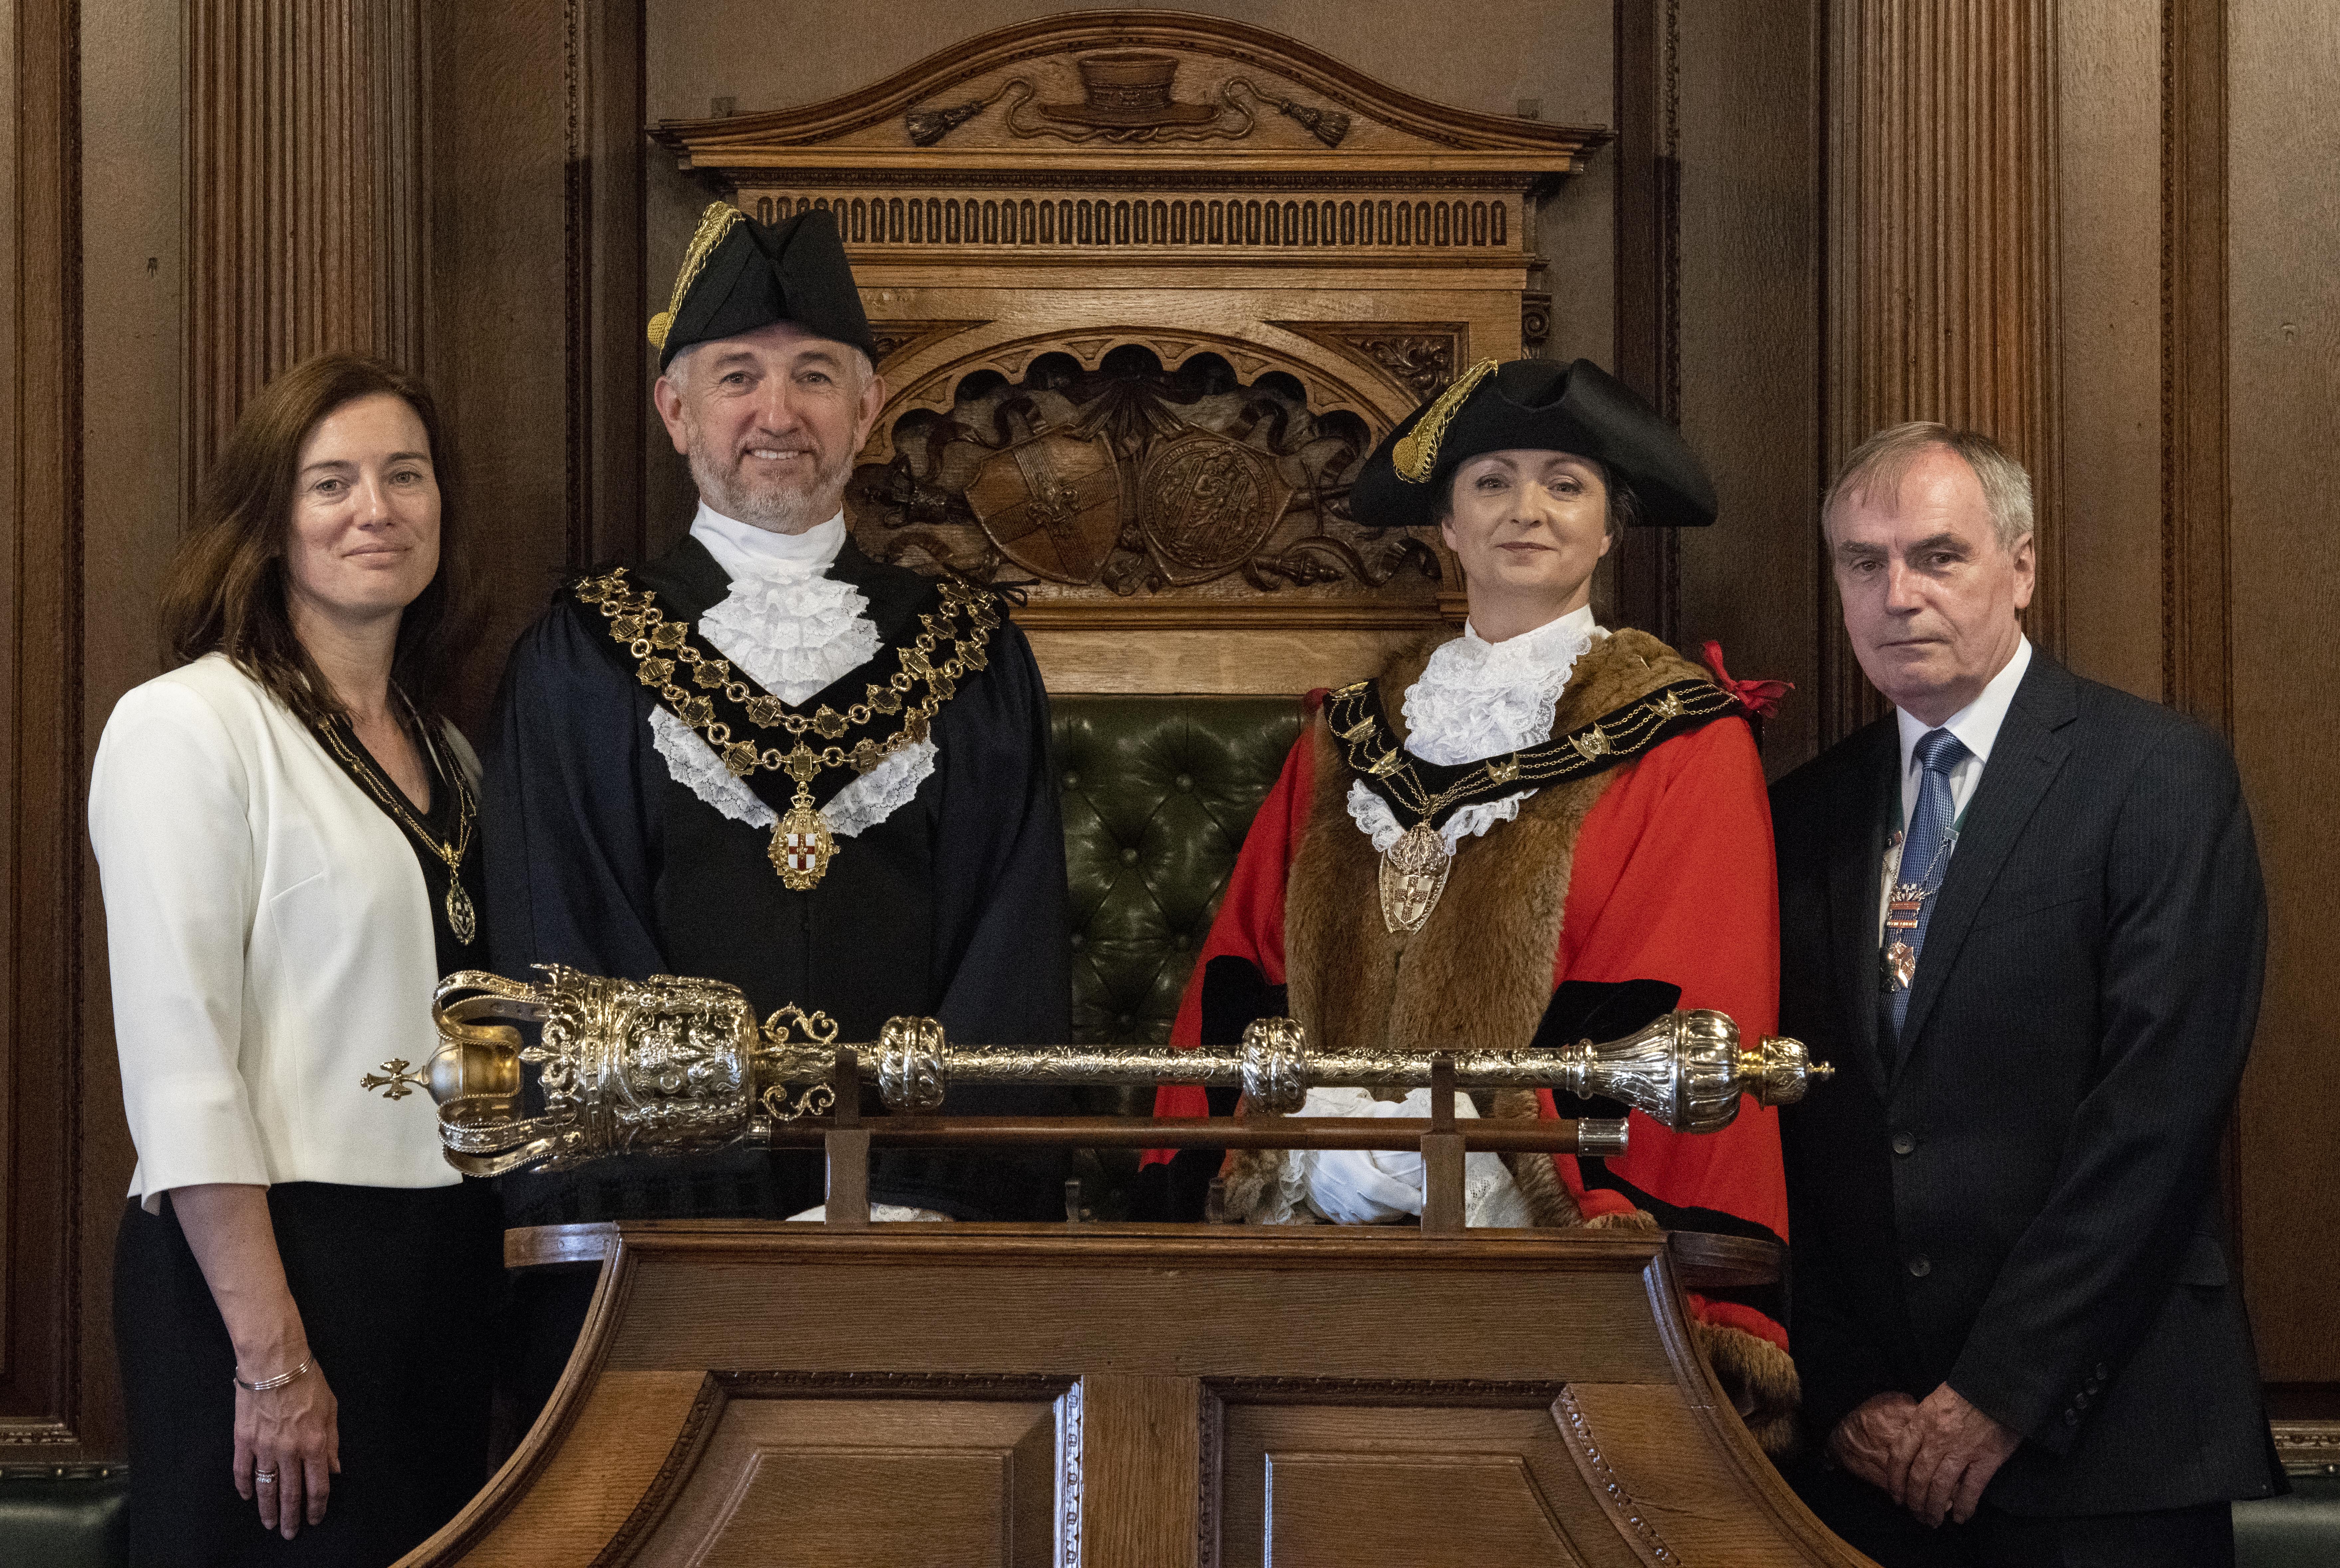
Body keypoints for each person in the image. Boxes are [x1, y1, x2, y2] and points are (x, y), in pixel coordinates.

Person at [1143, 356, 1801, 1453]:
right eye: (1491, 480)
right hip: (1312, 1252)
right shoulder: (1348, 733)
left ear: (1610, 530)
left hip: (1537, 1265)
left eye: (1565, 484)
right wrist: (1299, 1144)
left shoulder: (1685, 739)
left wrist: (1473, 1146)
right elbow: (1242, 969)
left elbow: (1685, 1005)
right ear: (1445, 523)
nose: (1526, 511)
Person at [481, 203, 1071, 1408]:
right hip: (659, 1257)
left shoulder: (973, 654)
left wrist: (912, 1191)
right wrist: (700, 1210)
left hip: (921, 1241)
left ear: (866, 408)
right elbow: (568, 949)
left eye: (814, 375)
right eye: (738, 375)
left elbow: (1010, 941)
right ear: (676, 411)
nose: (777, 412)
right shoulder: (582, 657)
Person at [1773, 423, 2282, 1566]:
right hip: (1868, 1459)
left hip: (2105, 1445)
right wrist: (1850, 1388)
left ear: (2023, 566)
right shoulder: (1802, 812)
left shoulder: (2156, 774)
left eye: (1937, 556)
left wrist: (1994, 1394)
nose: (1897, 594)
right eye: (1864, 562)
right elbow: (1787, 1130)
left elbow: (2157, 1114)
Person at [90, 354, 501, 1563]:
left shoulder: (454, 754)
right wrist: (271, 1356)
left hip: (436, 1266)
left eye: (405, 476)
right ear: (269, 523)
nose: (376, 509)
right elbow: (181, 1067)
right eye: (331, 483)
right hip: (266, 1270)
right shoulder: (188, 725)